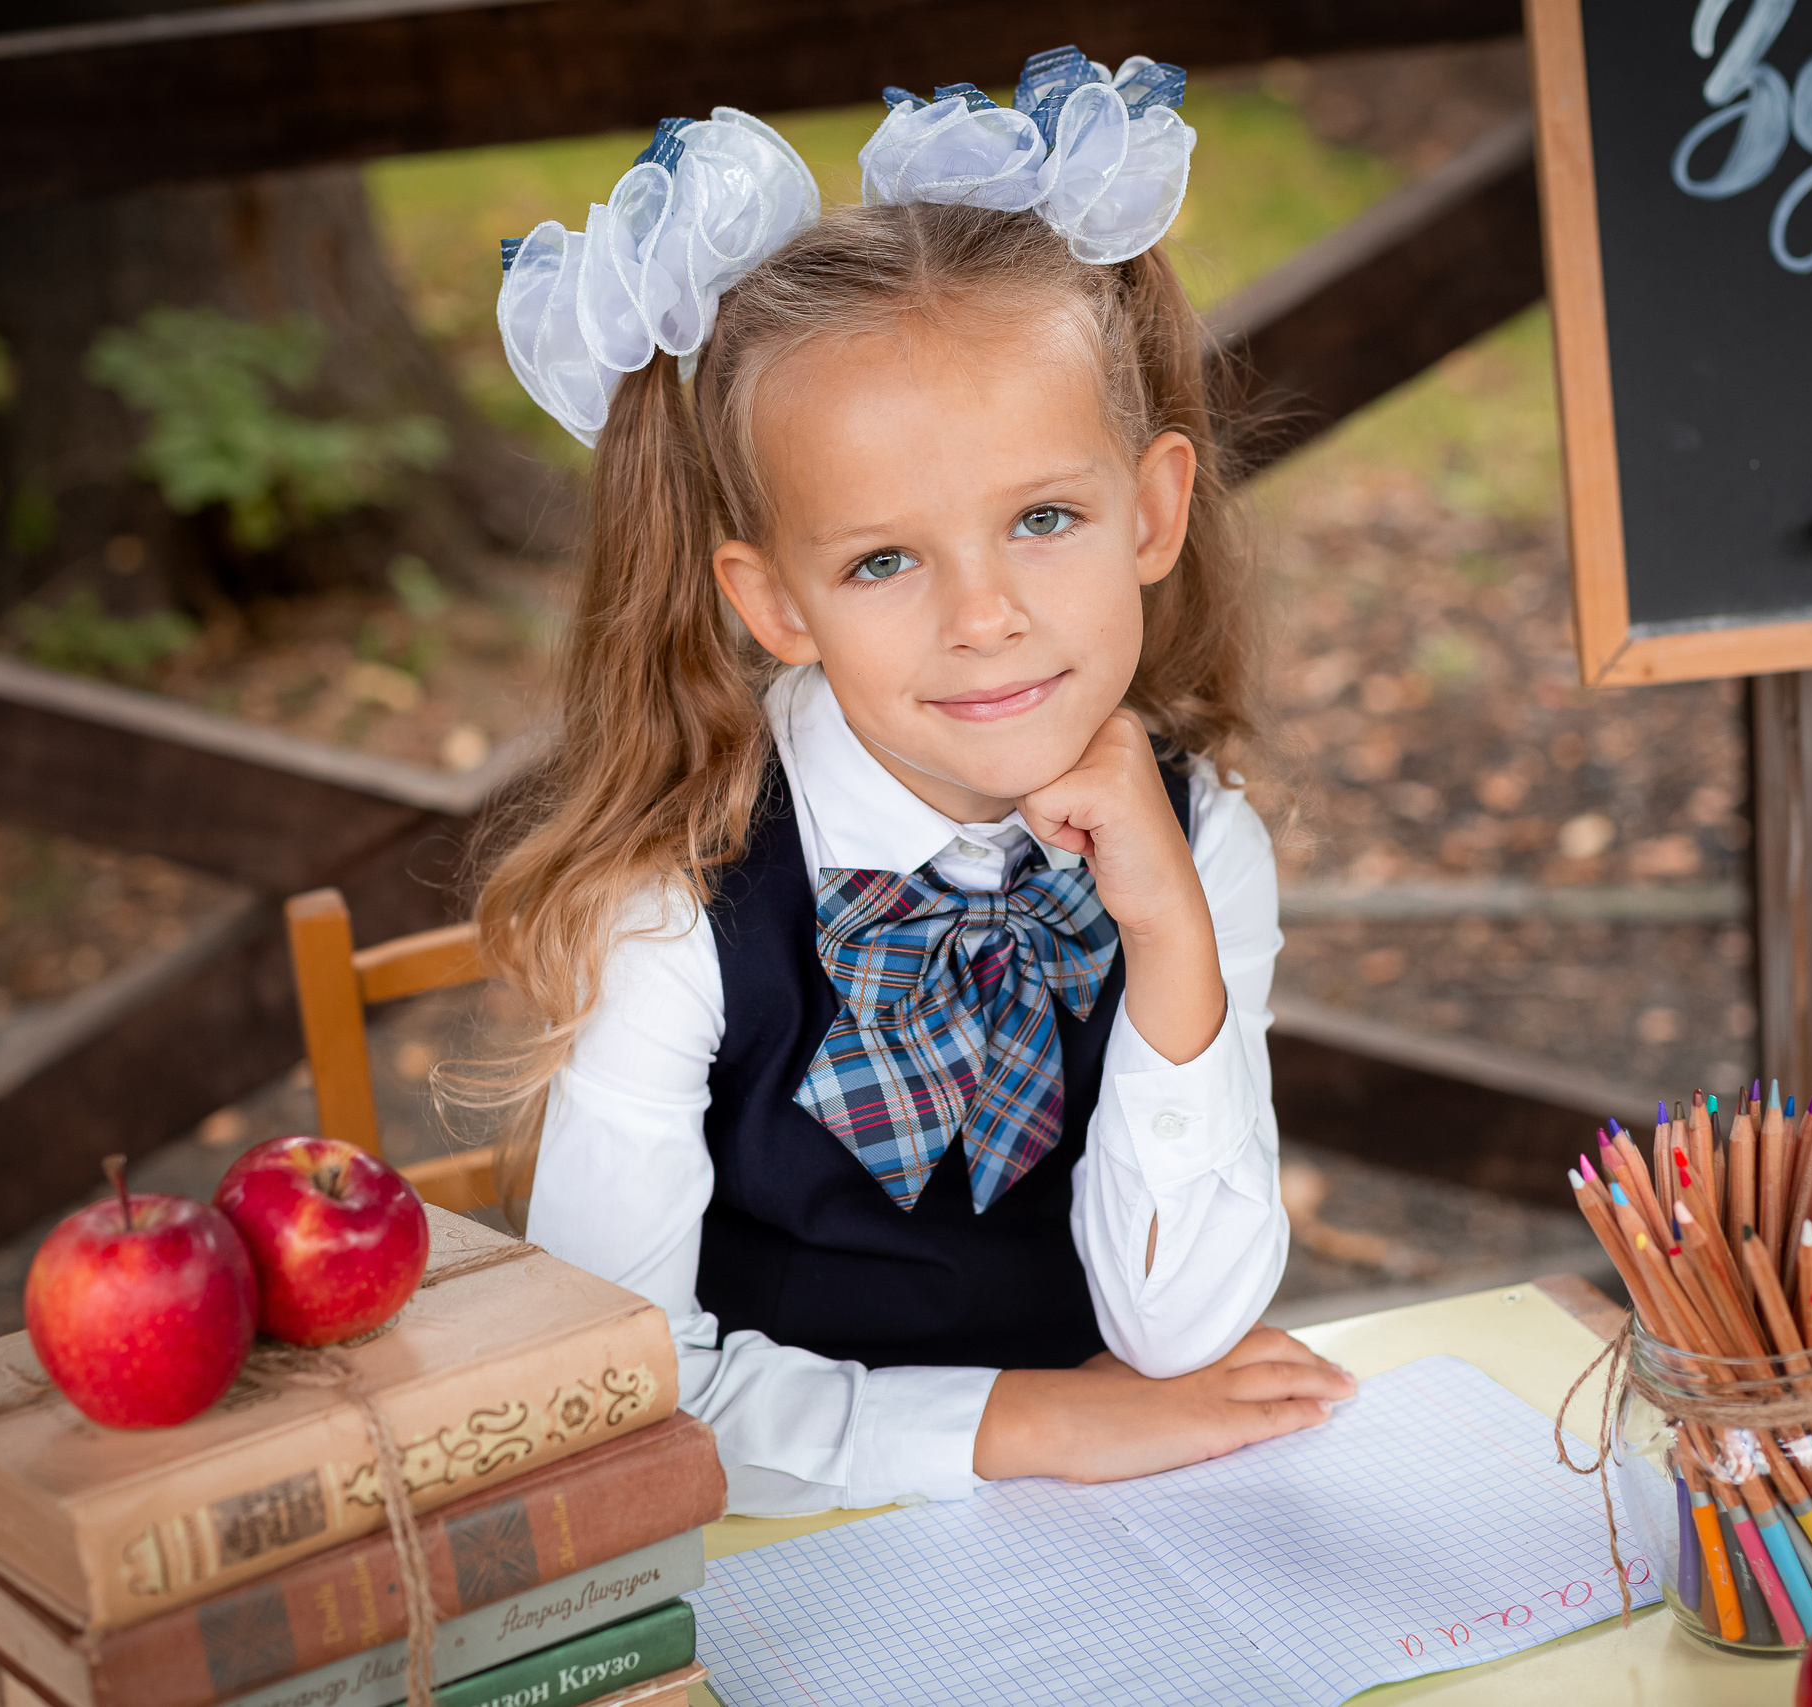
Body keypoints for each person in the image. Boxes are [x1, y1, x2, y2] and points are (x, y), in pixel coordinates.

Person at [466, 49, 1355, 1516]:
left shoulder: (1203, 842)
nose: (983, 615)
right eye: (883, 559)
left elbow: (1182, 1329)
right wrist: (1029, 1424)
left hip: (1128, 1529)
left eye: (1046, 519)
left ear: (1152, 509)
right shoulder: (676, 910)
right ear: (775, 606)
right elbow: (608, 1395)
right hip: (779, 1540)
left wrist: (1171, 934)